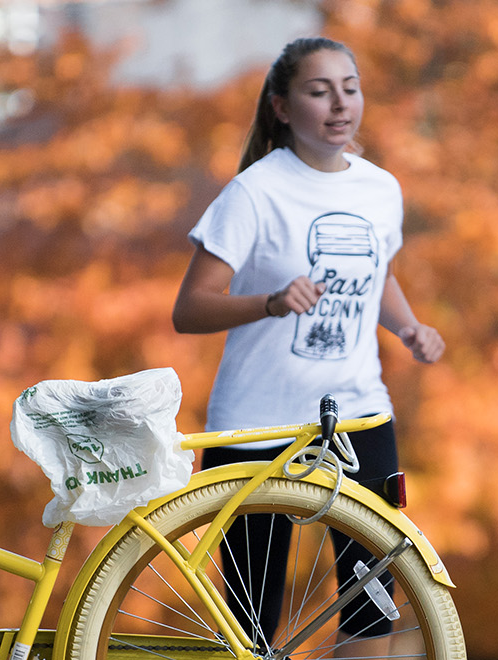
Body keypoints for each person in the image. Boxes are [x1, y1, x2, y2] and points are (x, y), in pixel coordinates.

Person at [171, 36, 444, 653]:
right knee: (251, 629)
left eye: (350, 88)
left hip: (358, 417)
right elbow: (189, 309)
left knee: (374, 606)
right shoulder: (254, 193)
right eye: (319, 91)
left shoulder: (381, 189)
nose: (339, 104)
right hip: (257, 426)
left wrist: (408, 328)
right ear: (283, 108)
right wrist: (268, 302)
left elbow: (381, 278)